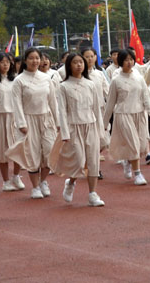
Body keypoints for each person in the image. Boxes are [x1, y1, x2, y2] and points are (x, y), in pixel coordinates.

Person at [52, 53, 105, 207]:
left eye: (81, 62)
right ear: (69, 65)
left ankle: (92, 194)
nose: (79, 65)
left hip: (91, 125)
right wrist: (65, 133)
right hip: (74, 127)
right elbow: (62, 111)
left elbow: (97, 108)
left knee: (93, 161)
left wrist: (100, 130)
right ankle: (71, 182)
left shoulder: (91, 84)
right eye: (75, 62)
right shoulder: (63, 86)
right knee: (79, 161)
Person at [6, 48, 58, 199]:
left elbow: (53, 102)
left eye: (37, 58)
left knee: (49, 152)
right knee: (32, 154)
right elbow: (16, 104)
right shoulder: (19, 80)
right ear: (25, 60)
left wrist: (58, 121)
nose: (35, 61)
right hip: (28, 121)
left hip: (46, 119)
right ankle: (35, 187)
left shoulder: (46, 78)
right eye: (31, 58)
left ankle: (43, 181)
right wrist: (21, 123)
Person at [103, 48, 150, 186]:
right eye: (126, 60)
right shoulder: (116, 80)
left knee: (141, 145)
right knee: (133, 144)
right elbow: (110, 103)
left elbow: (146, 97)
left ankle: (127, 161)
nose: (129, 62)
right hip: (123, 115)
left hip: (139, 115)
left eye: (131, 59)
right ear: (120, 62)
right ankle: (138, 173)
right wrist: (104, 123)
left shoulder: (139, 78)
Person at [0, 54, 25, 192]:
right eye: (2, 62)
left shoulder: (16, 80)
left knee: (18, 148)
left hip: (15, 117)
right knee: (2, 151)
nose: (5, 65)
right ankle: (6, 181)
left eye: (8, 62)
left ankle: (16, 176)